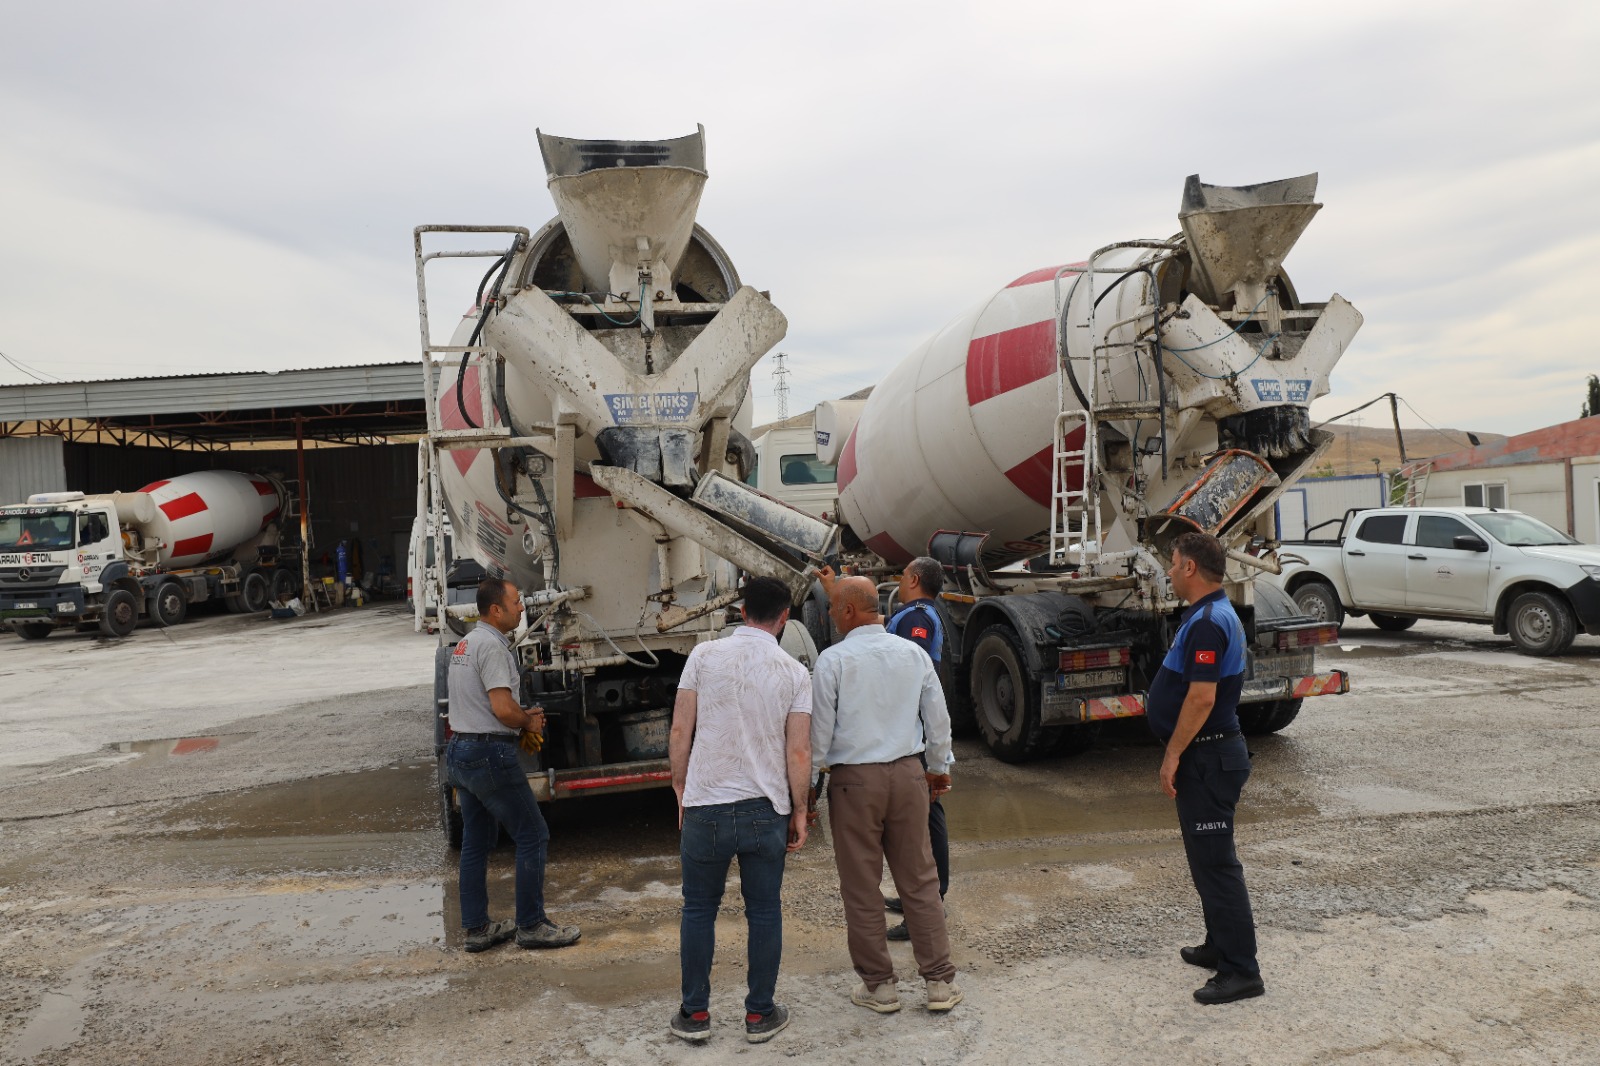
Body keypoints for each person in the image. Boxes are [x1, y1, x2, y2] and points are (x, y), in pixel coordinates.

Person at [667, 576, 814, 1045]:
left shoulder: (703, 657)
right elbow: (798, 754)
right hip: (763, 809)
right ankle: (758, 1015)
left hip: (706, 806)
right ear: (784, 618)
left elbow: (679, 732)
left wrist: (680, 789)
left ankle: (694, 1015)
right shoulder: (794, 673)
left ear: (742, 610)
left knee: (698, 910)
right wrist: (800, 811)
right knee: (765, 911)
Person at [811, 575, 961, 1014]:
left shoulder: (832, 661)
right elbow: (938, 720)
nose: (830, 614)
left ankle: (880, 988)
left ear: (850, 612)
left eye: (835, 606)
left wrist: (808, 790)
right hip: (909, 775)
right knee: (920, 880)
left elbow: (819, 735)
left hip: (854, 782)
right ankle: (938, 984)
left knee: (861, 887)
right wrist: (937, 770)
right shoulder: (912, 654)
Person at [1149, 532, 1264, 1005]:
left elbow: (1202, 697)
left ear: (1191, 569)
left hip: (1208, 757)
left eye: (1173, 564)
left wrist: (1172, 754)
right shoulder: (1210, 614)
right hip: (1210, 755)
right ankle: (1220, 946)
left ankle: (1242, 971)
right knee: (1205, 860)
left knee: (1216, 864)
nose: (1170, 572)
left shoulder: (1208, 622)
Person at [445, 576, 580, 953]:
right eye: (516, 602)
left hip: (462, 752)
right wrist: (528, 721)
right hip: (489, 756)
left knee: (474, 842)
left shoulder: (466, 643)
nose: (522, 608)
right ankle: (532, 925)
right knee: (533, 835)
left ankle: (476, 929)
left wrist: (518, 718)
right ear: (496, 610)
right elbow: (503, 709)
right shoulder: (493, 648)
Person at [881, 557, 950, 942]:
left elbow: (912, 675)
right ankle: (921, 898)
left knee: (923, 816)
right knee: (923, 813)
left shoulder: (915, 618)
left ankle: (928, 902)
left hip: (914, 728)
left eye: (904, 574)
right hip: (915, 727)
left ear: (915, 579)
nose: (900, 579)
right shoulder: (912, 614)